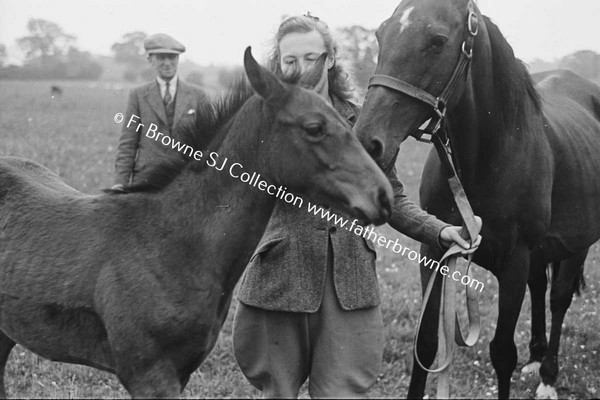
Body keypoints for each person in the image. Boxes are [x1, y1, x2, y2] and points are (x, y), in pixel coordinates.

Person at [232, 14, 482, 399]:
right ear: (277, 63)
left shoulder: (363, 121)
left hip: (348, 286)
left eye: (311, 57)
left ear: (331, 58)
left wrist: (440, 230)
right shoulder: (261, 121)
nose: (301, 70)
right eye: (290, 61)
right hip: (279, 280)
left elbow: (392, 198)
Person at [112, 33, 209, 189]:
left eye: (172, 58)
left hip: (184, 181)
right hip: (146, 180)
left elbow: (207, 144)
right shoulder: (138, 95)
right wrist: (119, 183)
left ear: (178, 60)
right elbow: (127, 144)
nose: (167, 63)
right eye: (161, 58)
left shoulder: (198, 96)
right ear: (151, 60)